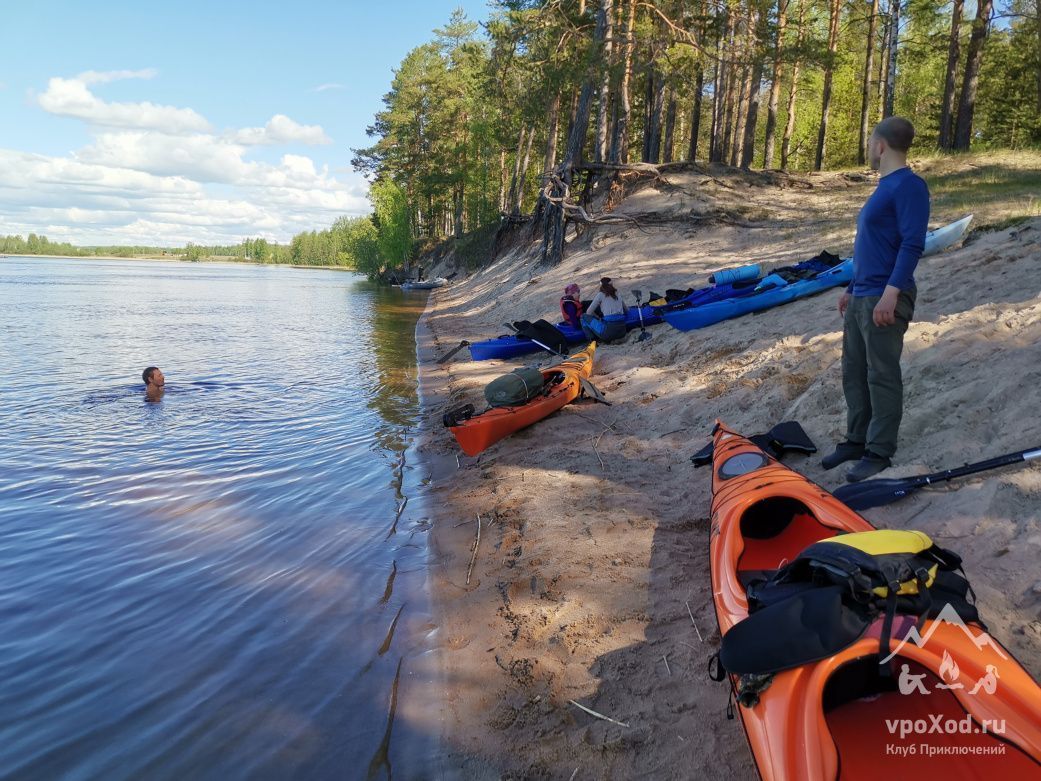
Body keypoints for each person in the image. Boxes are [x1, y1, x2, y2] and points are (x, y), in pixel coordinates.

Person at [822, 117, 930, 483]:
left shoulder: (910, 186)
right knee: (854, 373)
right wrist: (852, 287)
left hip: (885, 297)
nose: (869, 149)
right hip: (862, 295)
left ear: (880, 146)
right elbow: (873, 246)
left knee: (882, 375)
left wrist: (891, 293)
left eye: (870, 142)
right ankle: (856, 439)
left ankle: (879, 451)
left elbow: (912, 243)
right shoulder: (884, 188)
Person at [580, 277, 629, 343]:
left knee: (583, 317)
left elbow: (588, 312)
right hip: (622, 332)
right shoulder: (617, 293)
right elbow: (627, 310)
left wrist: (597, 317)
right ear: (612, 284)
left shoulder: (600, 295)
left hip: (608, 333)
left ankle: (592, 340)